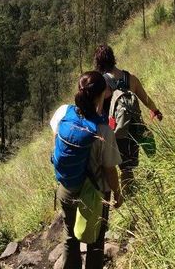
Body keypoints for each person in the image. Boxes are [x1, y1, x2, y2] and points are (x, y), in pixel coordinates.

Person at [50, 71, 123, 269]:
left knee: (70, 236)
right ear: (100, 96)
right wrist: (117, 193)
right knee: (96, 241)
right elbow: (109, 169)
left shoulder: (64, 112)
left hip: (66, 187)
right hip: (94, 193)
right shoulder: (103, 131)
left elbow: (56, 139)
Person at [94, 44, 162, 193]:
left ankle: (129, 197)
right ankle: (142, 189)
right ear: (113, 58)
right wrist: (156, 111)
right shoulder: (130, 78)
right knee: (130, 165)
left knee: (124, 169)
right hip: (135, 126)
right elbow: (146, 99)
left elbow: (98, 110)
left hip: (116, 131)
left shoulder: (102, 83)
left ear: (98, 63)